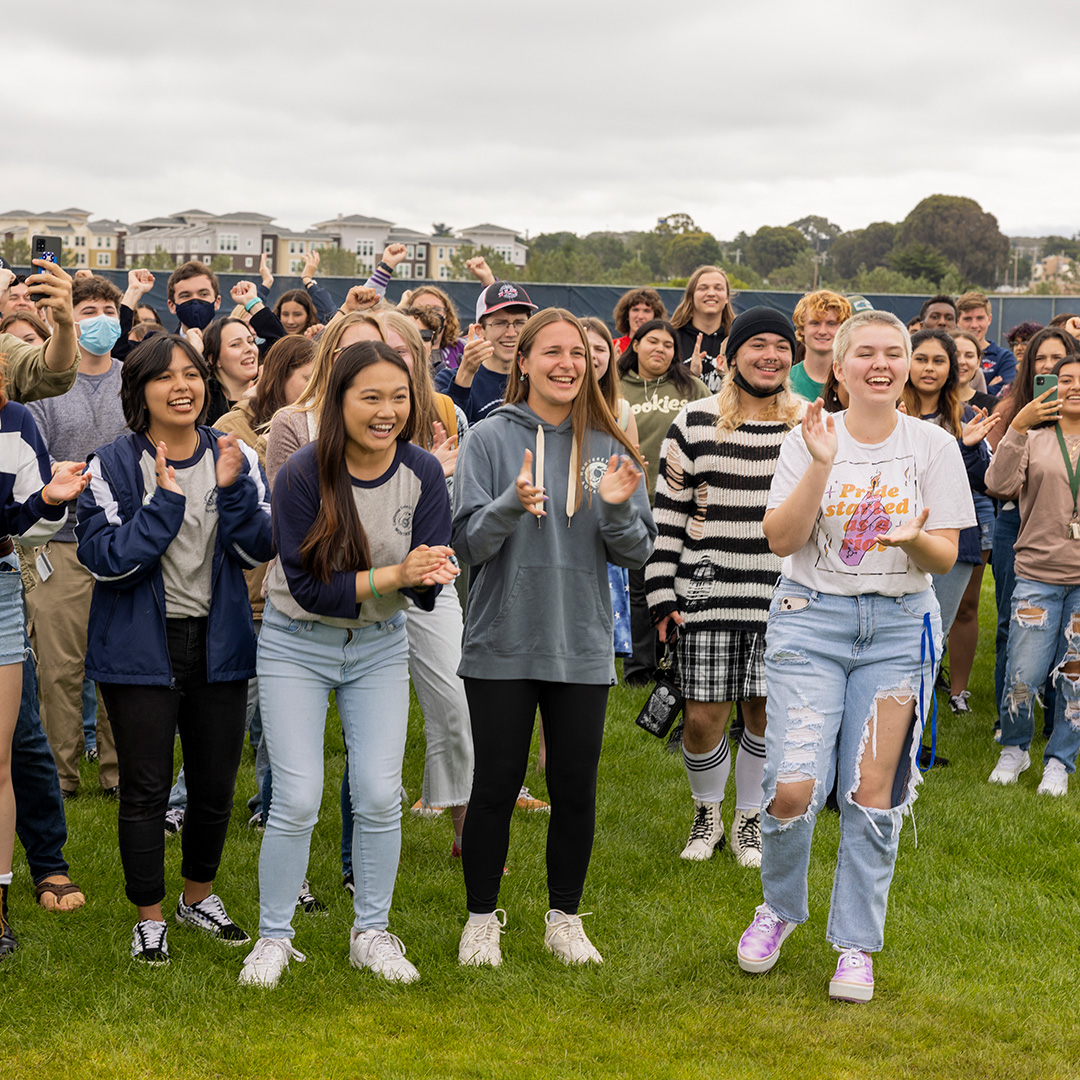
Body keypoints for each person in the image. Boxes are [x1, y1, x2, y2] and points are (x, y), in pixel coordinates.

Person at [735, 309, 974, 1004]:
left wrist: (909, 540)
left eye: (892, 352)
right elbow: (780, 540)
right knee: (793, 787)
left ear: (907, 365)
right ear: (837, 368)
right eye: (864, 352)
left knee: (875, 794)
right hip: (811, 624)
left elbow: (946, 554)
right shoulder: (806, 438)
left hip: (899, 629)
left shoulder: (933, 446)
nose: (881, 363)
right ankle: (778, 909)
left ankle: (855, 946)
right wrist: (821, 465)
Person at [239, 342, 457, 989]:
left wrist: (429, 577)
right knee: (298, 795)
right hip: (295, 644)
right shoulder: (303, 473)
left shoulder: (423, 472)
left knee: (380, 792)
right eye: (371, 396)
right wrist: (398, 572)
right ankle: (273, 938)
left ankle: (372, 933)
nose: (387, 410)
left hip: (379, 644)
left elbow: (426, 584)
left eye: (399, 396)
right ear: (338, 401)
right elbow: (310, 588)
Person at [451, 308, 655, 968]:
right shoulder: (488, 438)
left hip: (579, 641)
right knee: (497, 784)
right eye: (553, 352)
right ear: (525, 361)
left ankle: (563, 918)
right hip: (503, 639)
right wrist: (512, 502)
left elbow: (634, 552)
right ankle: (482, 919)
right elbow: (467, 543)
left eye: (579, 352)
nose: (568, 363)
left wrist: (619, 505)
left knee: (574, 786)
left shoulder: (610, 444)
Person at [76, 334, 272, 965]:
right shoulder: (109, 465)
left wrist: (235, 491)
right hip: (140, 648)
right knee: (146, 787)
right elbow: (106, 561)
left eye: (191, 374)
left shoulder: (234, 454)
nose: (181, 386)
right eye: (164, 377)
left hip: (219, 643)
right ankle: (150, 917)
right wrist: (164, 503)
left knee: (214, 785)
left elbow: (256, 548)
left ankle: (197, 898)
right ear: (140, 391)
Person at [646, 308, 804, 868]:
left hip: (786, 596)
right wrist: (662, 591)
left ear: (794, 356)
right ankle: (706, 813)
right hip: (707, 591)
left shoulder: (810, 425)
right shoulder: (693, 421)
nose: (770, 355)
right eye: (757, 344)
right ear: (731, 355)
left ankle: (748, 821)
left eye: (781, 346)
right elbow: (667, 515)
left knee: (764, 715)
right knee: (702, 717)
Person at [26, 275, 130, 800]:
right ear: (64, 317)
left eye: (107, 309)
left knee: (119, 665)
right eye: (86, 309)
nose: (99, 319)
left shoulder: (133, 379)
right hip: (59, 544)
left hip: (120, 544)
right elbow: (35, 464)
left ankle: (118, 774)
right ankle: (61, 777)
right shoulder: (46, 383)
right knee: (61, 670)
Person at [0, 367, 89, 957]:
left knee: (13, 747)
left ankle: (12, 893)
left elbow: (31, 523)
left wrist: (48, 500)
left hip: (3, 587)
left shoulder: (16, 421)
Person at [985, 355, 1080, 796]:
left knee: (1075, 675)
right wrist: (1017, 427)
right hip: (1037, 574)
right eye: (1065, 380)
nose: (1074, 386)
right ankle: (1016, 747)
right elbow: (999, 485)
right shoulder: (1035, 437)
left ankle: (1060, 760)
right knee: (1023, 670)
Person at [617, 318, 710, 684]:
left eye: (668, 345)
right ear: (635, 345)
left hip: (684, 501)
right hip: (635, 500)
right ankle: (640, 667)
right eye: (651, 342)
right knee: (639, 586)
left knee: (678, 582)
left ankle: (675, 662)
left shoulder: (692, 386)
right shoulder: (615, 386)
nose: (660, 349)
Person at [900, 330, 996, 652]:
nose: (929, 368)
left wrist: (968, 447)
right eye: (921, 359)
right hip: (896, 537)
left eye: (939, 361)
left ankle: (932, 699)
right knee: (899, 640)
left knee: (931, 641)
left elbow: (985, 481)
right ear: (906, 364)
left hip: (953, 542)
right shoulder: (889, 413)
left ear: (950, 370)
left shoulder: (967, 417)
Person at [945, 329, 1000, 714]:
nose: (962, 361)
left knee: (964, 604)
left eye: (969, 354)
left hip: (972, 508)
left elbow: (987, 479)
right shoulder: (897, 406)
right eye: (954, 354)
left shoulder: (976, 411)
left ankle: (957, 690)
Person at [434, 282, 538, 424]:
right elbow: (446, 432)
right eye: (500, 323)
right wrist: (464, 377)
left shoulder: (539, 379)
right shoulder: (447, 380)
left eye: (520, 322)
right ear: (480, 330)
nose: (511, 333)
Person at [669, 266, 736, 392]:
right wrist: (691, 375)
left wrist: (728, 377)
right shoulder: (671, 338)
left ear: (727, 297)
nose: (711, 293)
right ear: (691, 296)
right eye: (703, 288)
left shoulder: (738, 339)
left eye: (718, 288)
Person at [789, 291, 853, 402]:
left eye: (831, 323)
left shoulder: (854, 379)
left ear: (842, 329)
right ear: (801, 328)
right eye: (815, 323)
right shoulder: (785, 381)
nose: (822, 331)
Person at [956, 291, 1016, 396]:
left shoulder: (1004, 358)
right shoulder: (946, 354)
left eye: (980, 318)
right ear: (957, 321)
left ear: (989, 319)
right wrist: (986, 387)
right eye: (967, 319)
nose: (974, 325)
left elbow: (1004, 395)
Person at [612, 288, 667, 357]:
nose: (640, 316)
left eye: (646, 311)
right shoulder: (612, 347)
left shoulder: (662, 349)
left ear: (655, 316)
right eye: (635, 310)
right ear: (626, 315)